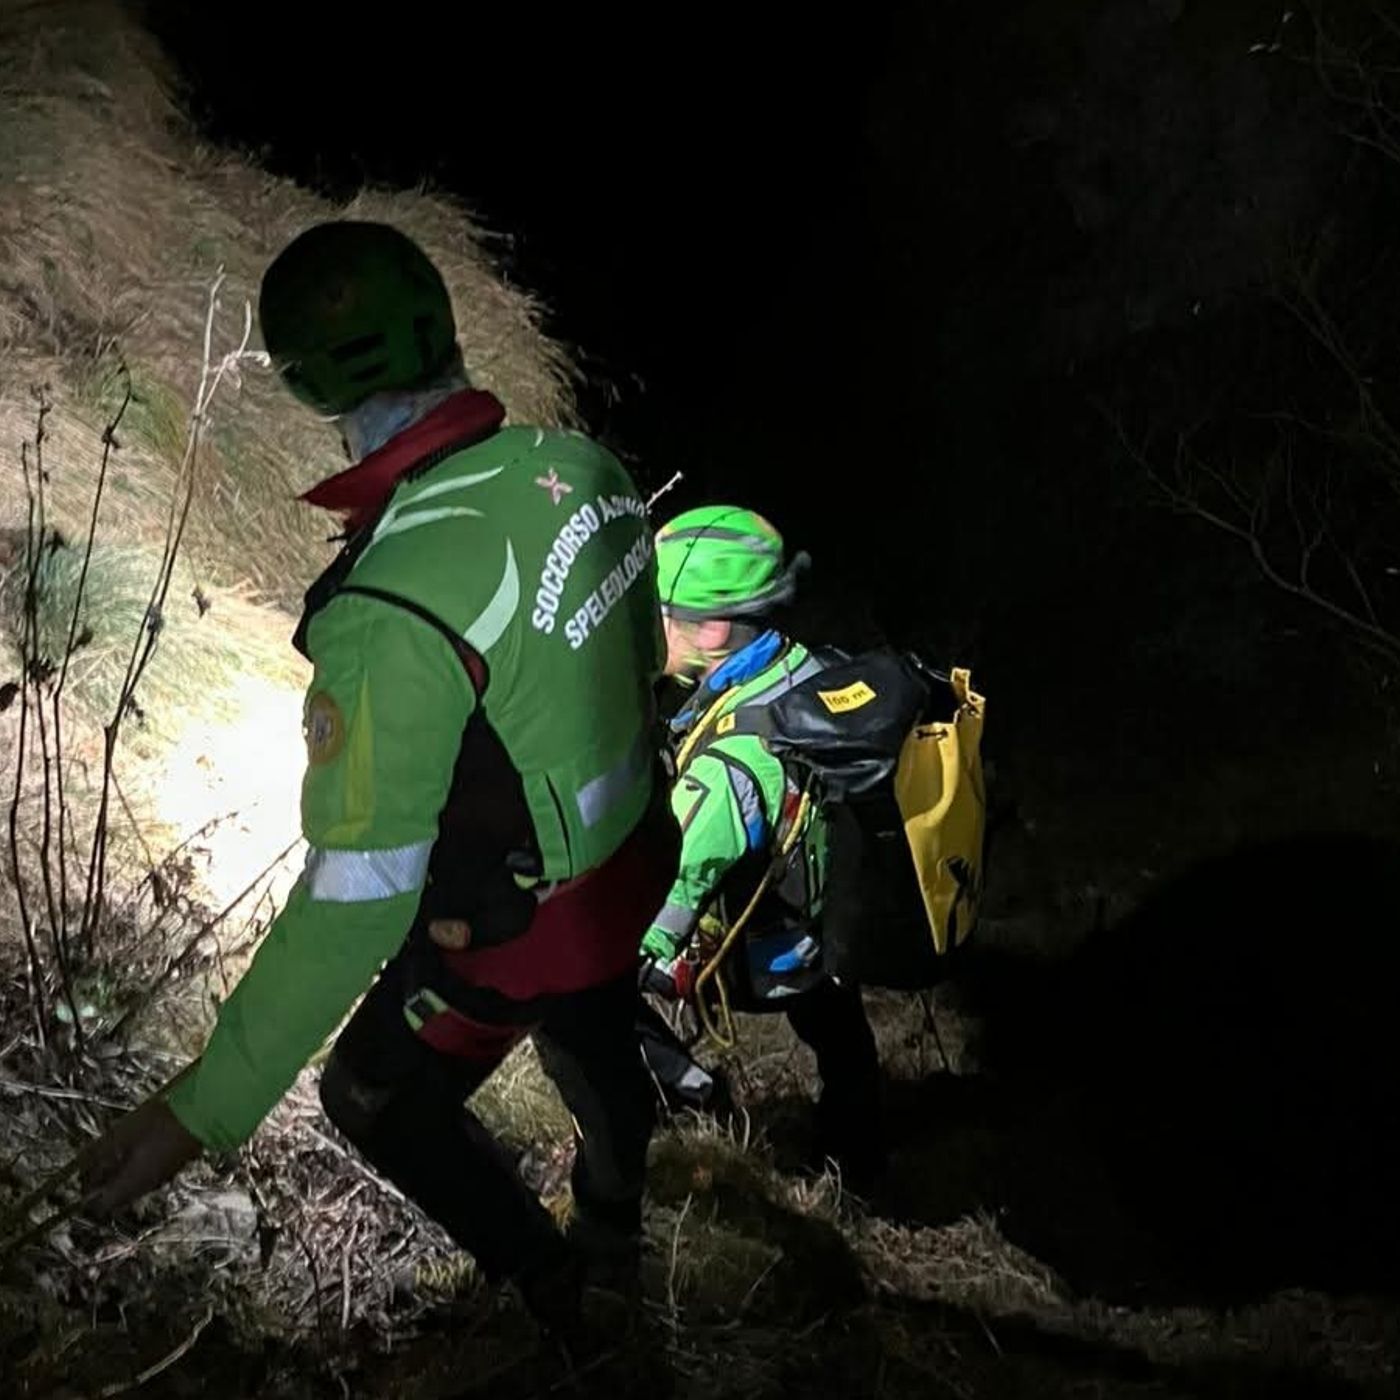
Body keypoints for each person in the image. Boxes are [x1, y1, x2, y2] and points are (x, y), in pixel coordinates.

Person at [78, 221, 680, 1342]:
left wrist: (200, 1108)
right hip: (638, 856)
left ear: (308, 382)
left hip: (520, 924)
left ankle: (559, 1291)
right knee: (593, 1031)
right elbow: (640, 663)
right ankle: (614, 1216)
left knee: (370, 1094)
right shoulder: (584, 472)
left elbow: (358, 894)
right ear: (441, 326)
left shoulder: (393, 597)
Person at [635, 505, 887, 1188]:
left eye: (658, 612)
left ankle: (692, 1095)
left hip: (764, 960)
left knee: (585, 985)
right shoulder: (800, 668)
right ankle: (860, 1160)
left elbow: (655, 910)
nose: (645, 627)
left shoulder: (727, 772)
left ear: (713, 629)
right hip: (825, 933)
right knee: (838, 1033)